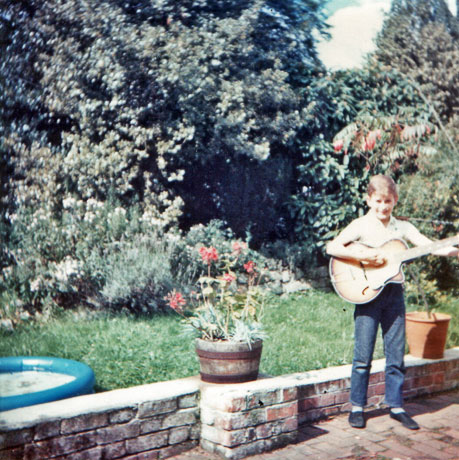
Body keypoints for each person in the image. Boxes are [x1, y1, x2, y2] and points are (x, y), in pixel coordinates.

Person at [326, 174, 459, 430]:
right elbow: (333, 247)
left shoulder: (403, 229)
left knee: (396, 355)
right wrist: (366, 254)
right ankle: (357, 407)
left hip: (394, 294)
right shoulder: (361, 225)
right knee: (363, 355)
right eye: (378, 201)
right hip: (366, 294)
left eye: (387, 201)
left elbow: (431, 247)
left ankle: (396, 406)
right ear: (369, 200)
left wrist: (454, 249)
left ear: (395, 200)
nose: (383, 207)